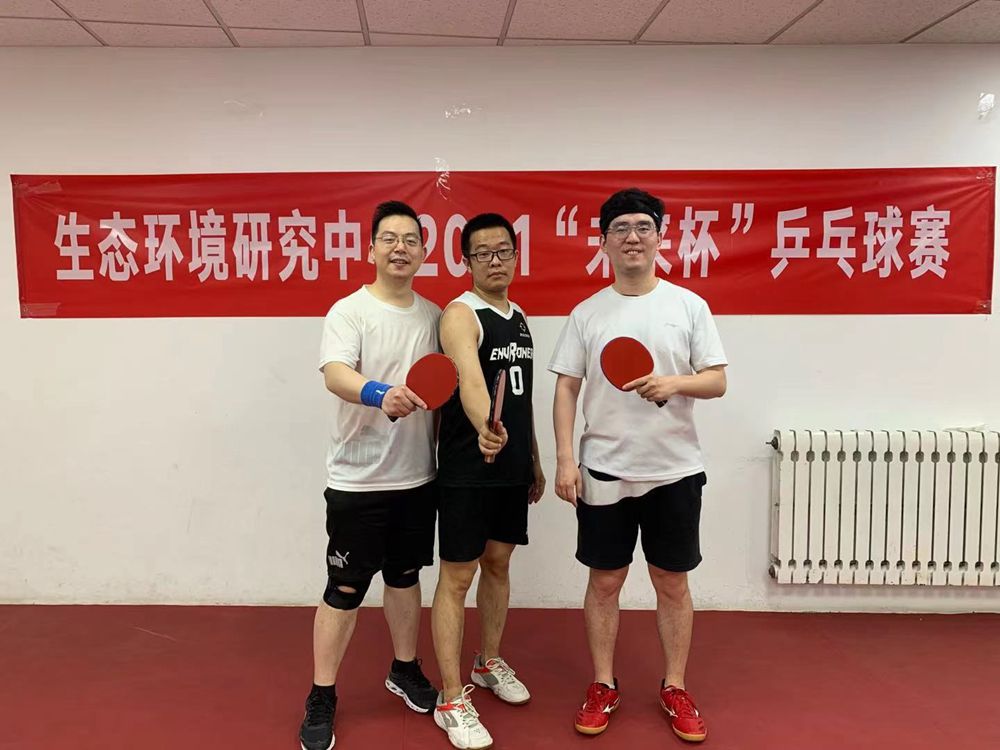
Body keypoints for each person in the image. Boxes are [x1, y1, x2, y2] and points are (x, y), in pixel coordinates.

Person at [549, 188, 727, 743]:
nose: (632, 237)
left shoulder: (688, 306)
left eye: (643, 227)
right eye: (620, 228)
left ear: (659, 237)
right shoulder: (587, 313)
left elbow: (716, 380)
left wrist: (674, 383)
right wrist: (565, 459)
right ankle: (603, 683)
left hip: (674, 469)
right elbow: (566, 388)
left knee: (671, 581)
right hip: (604, 468)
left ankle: (675, 685)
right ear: (604, 241)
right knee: (605, 581)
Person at [299, 200, 442, 750]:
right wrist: (380, 393)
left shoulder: (434, 316)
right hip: (357, 481)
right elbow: (335, 373)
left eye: (410, 240)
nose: (400, 248)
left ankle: (404, 669)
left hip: (416, 478)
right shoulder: (349, 311)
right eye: (389, 238)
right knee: (345, 587)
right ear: (371, 249)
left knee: (405, 577)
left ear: (423, 251)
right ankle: (322, 693)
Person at [430, 213, 545, 750]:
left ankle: (487, 661)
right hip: (468, 467)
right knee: (458, 577)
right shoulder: (460, 314)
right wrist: (485, 428)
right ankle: (451, 698)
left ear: (516, 255)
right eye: (483, 253)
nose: (495, 261)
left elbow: (521, 397)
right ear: (467, 261)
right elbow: (472, 384)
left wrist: (533, 458)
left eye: (503, 251)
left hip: (511, 467)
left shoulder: (518, 317)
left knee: (498, 563)